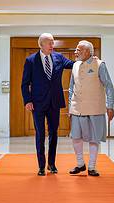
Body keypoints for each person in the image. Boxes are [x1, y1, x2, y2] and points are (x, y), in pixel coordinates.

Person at [21, 33, 74, 176]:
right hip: (37, 104)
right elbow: (25, 84)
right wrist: (27, 101)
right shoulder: (31, 60)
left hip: (54, 102)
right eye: (49, 43)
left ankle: (52, 164)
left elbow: (73, 65)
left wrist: (87, 60)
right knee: (40, 134)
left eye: (53, 42)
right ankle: (41, 166)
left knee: (54, 133)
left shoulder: (59, 58)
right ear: (41, 45)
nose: (52, 45)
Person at [68, 40, 114, 177]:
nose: (76, 52)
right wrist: (71, 106)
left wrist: (110, 106)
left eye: (79, 50)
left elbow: (109, 86)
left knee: (94, 138)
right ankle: (80, 164)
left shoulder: (100, 64)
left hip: (95, 108)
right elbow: (71, 88)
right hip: (77, 108)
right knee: (75, 137)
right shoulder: (75, 65)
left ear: (88, 52)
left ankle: (92, 166)